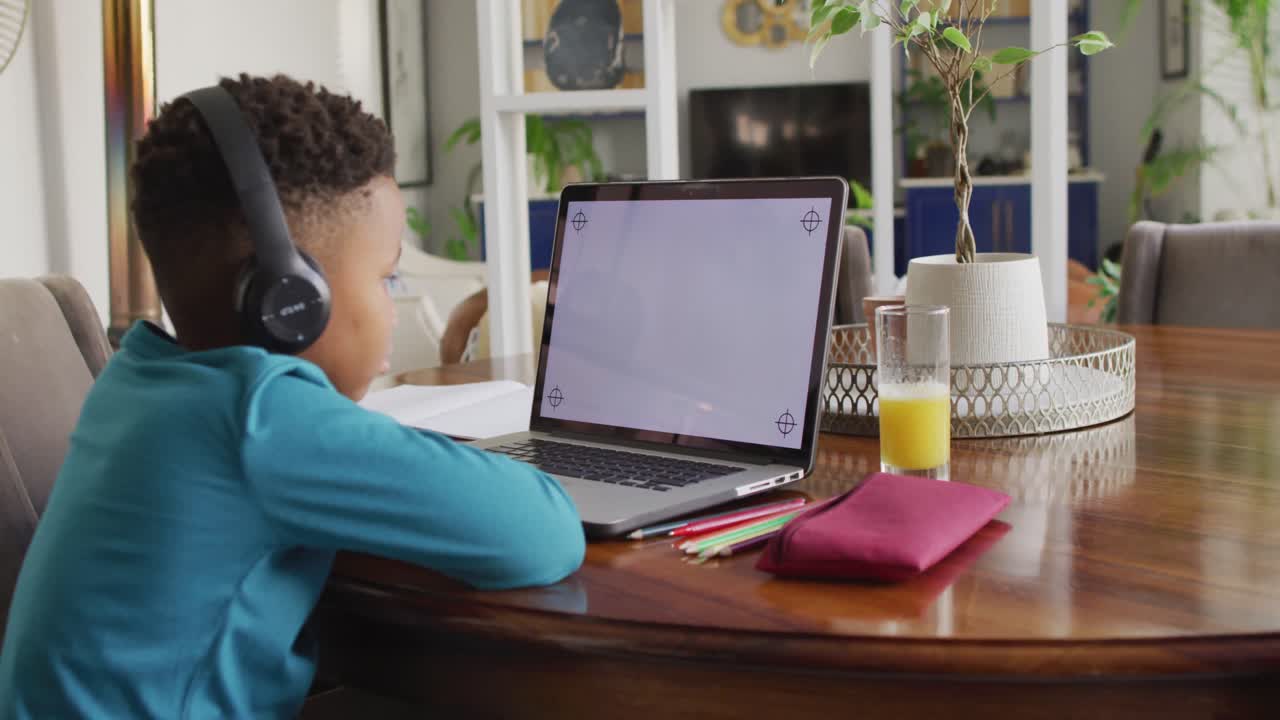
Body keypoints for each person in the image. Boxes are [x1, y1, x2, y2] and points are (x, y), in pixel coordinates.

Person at [0, 74, 584, 719]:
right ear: (290, 300)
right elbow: (542, 536)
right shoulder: (258, 420)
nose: (391, 307)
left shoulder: (138, 376)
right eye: (385, 277)